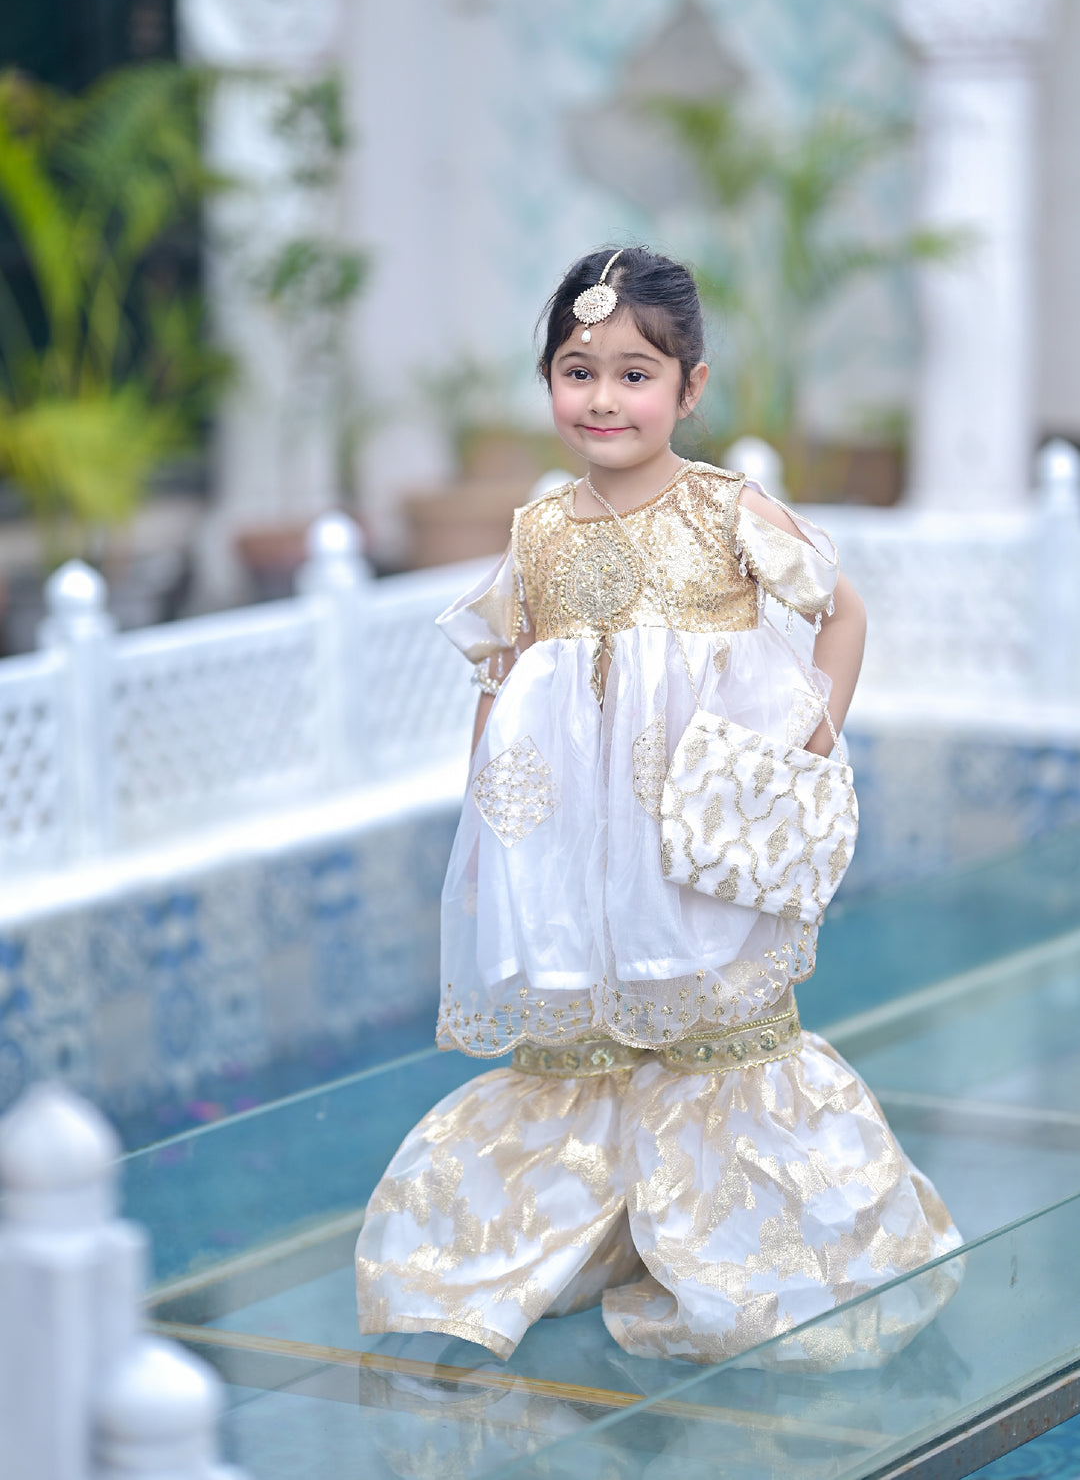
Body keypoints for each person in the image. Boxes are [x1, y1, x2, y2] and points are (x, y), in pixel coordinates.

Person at [355, 246, 961, 1369]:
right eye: (577, 371)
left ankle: (738, 1243)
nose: (604, 398)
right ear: (548, 381)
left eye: (635, 374)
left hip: (695, 825)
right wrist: (492, 816)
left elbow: (841, 611)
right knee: (589, 1029)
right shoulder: (541, 530)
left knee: (716, 1025)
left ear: (690, 387)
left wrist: (812, 737)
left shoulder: (726, 508)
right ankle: (584, 1229)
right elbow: (503, 668)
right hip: (580, 843)